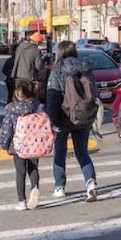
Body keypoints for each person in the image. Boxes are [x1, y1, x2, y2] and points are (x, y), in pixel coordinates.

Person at [45, 41, 100, 201]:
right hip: (83, 116)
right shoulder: (86, 67)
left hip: (63, 117)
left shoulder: (57, 70)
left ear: (60, 52)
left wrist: (51, 120)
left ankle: (59, 187)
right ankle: (91, 184)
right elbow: (94, 92)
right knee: (82, 152)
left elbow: (53, 96)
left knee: (60, 153)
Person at [0, 78, 44, 211]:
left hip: (18, 144)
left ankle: (21, 201)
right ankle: (34, 188)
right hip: (35, 143)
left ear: (17, 93)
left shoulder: (11, 108)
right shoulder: (38, 106)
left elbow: (7, 128)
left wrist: (5, 143)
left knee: (20, 172)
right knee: (33, 168)